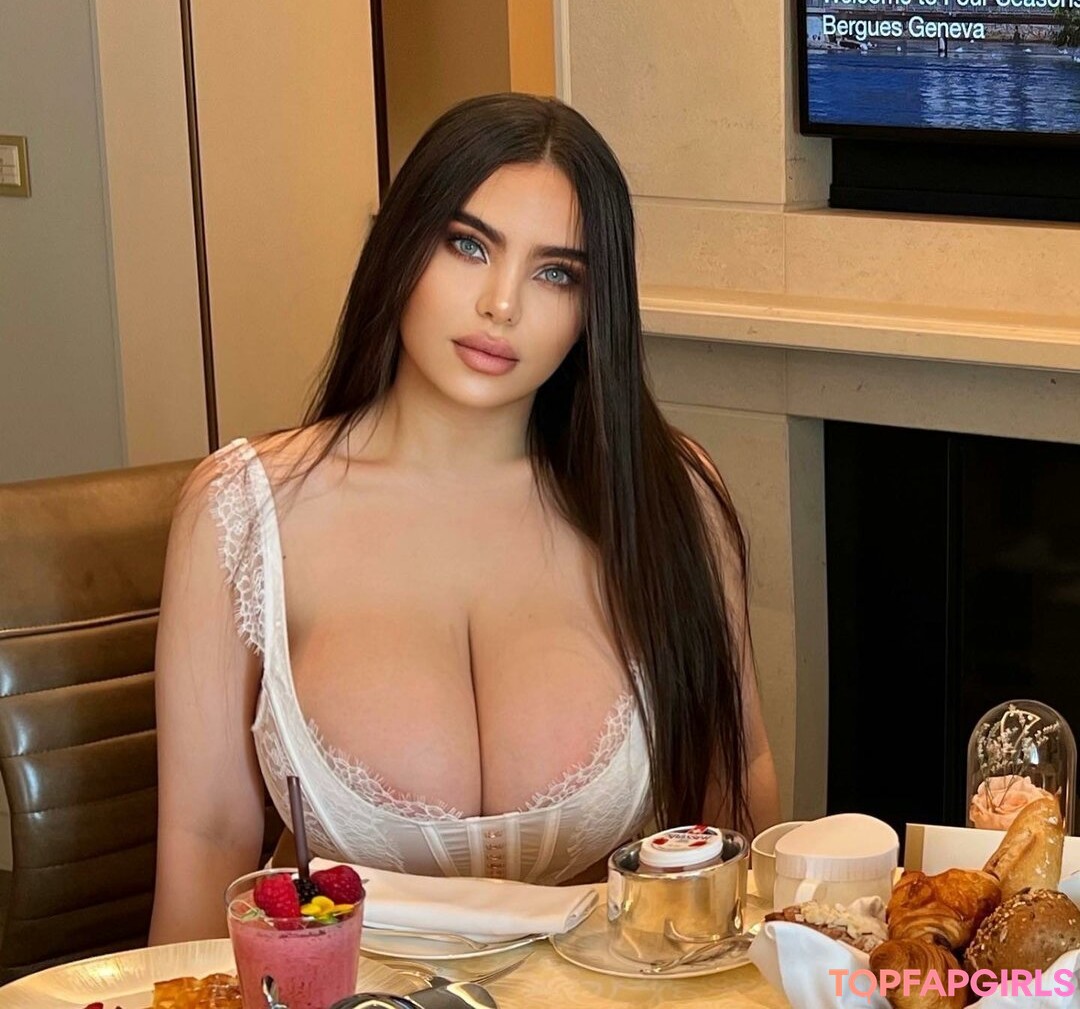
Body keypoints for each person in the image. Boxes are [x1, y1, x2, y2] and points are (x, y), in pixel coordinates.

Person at [148, 93, 779, 944]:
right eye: (469, 245)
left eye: (556, 273)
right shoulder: (244, 512)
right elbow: (207, 841)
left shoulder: (672, 497)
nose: (502, 305)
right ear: (401, 245)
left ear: (594, 310)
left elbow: (736, 790)